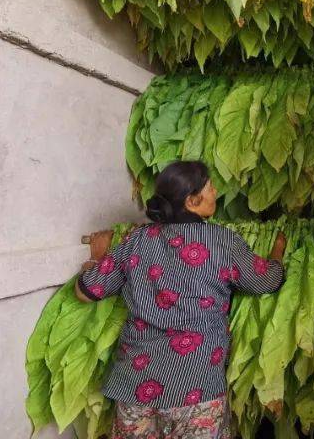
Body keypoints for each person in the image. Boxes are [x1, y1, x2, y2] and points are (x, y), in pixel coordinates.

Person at [75, 160, 287, 439]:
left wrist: (97, 256)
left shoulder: (137, 240)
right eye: (210, 187)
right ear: (192, 200)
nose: (215, 192)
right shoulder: (222, 242)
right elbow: (265, 281)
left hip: (136, 387)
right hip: (196, 387)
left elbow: (86, 292)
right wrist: (278, 255)